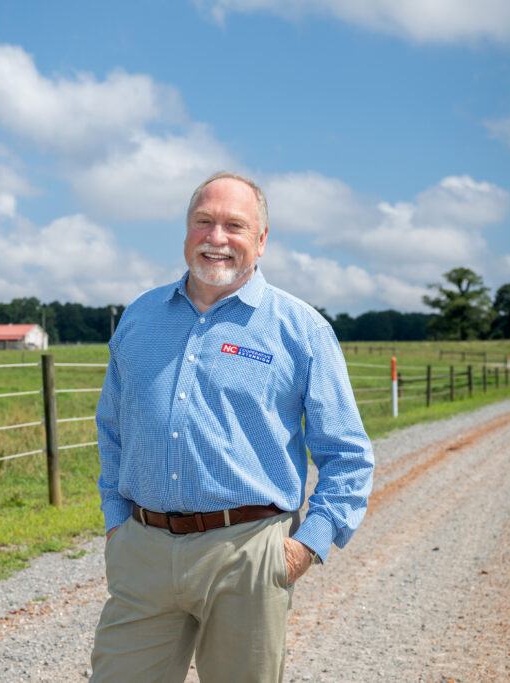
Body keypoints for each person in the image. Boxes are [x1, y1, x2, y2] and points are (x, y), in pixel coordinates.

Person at [90, 171, 374, 682]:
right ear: (186, 232)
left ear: (261, 241)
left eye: (234, 226)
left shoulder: (300, 329)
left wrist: (305, 545)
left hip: (249, 552)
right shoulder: (140, 317)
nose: (216, 238)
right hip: (144, 550)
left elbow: (347, 453)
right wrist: (116, 523)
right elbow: (112, 426)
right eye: (204, 222)